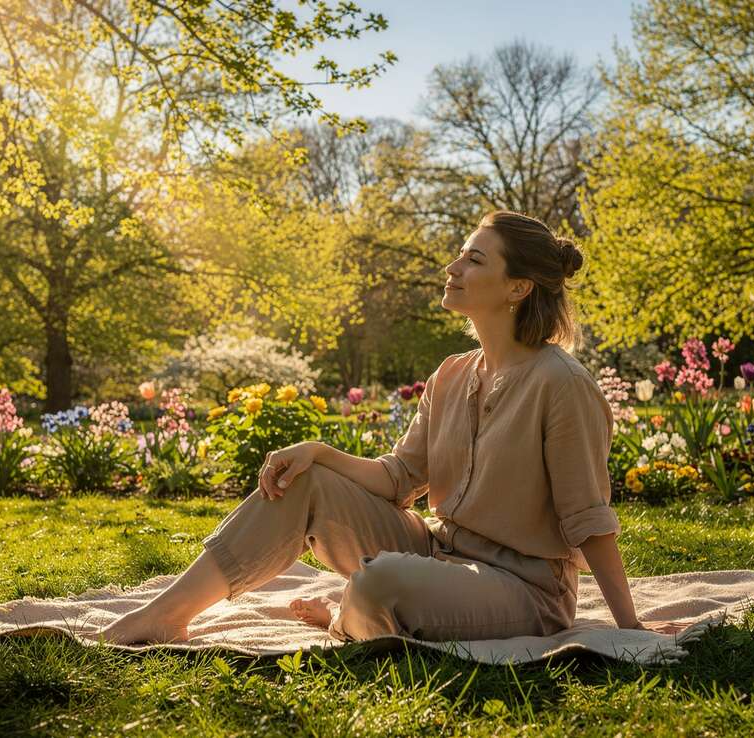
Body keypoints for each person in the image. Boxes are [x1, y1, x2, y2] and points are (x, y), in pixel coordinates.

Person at [96, 211, 687, 645]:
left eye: (474, 259)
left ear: (517, 288)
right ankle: (168, 615)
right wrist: (319, 452)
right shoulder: (453, 374)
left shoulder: (562, 383)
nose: (453, 267)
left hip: (524, 590)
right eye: (460, 254)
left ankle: (342, 613)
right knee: (303, 481)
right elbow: (400, 478)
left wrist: (629, 624)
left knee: (380, 584)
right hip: (439, 551)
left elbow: (587, 518)